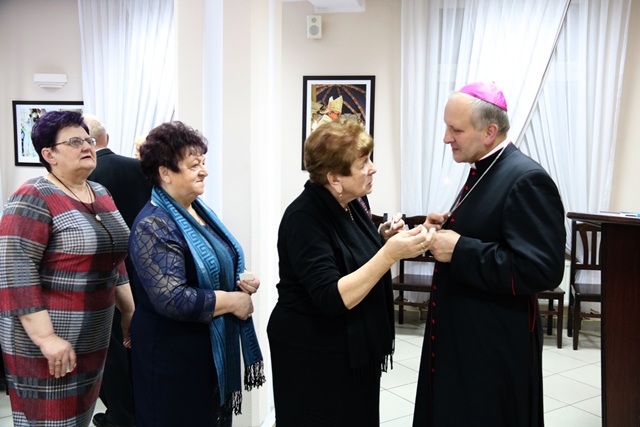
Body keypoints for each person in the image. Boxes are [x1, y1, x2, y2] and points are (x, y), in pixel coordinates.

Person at [412, 82, 566, 426]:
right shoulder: (484, 169)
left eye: (456, 130)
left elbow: (541, 268)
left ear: (489, 132)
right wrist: (446, 229)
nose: (446, 138)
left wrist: (460, 249)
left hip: (494, 342)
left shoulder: (526, 178)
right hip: (467, 333)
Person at [267, 118, 434, 426]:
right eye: (363, 163)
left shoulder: (351, 202)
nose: (373, 168)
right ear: (334, 178)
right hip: (313, 354)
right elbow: (331, 296)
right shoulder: (304, 218)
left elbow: (347, 251)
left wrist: (381, 237)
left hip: (349, 348)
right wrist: (389, 253)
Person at [0, 110, 135, 427]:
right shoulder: (32, 196)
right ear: (49, 154)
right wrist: (47, 338)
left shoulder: (99, 192)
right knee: (50, 420)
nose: (87, 146)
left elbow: (114, 258)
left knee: (78, 418)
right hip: (45, 341)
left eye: (88, 140)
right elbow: (15, 271)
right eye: (75, 141)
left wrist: (129, 311)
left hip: (93, 335)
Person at [128, 121, 265, 427]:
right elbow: (173, 299)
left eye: (203, 163)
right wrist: (233, 301)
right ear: (165, 172)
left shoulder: (195, 210)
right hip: (172, 356)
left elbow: (212, 265)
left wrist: (241, 279)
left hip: (205, 351)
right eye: (194, 165)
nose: (204, 171)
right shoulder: (154, 224)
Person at [85, 114, 151, 427]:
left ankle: (121, 416)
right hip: (145, 269)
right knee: (139, 344)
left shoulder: (84, 179)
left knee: (112, 351)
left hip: (107, 273)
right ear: (107, 139)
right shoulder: (139, 168)